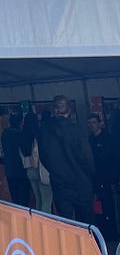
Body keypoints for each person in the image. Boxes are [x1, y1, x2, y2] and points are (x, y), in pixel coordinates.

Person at [39, 95, 95, 224]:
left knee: (64, 223)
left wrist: (55, 170)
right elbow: (87, 158)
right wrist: (90, 176)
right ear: (69, 111)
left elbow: (43, 157)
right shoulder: (77, 130)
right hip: (80, 182)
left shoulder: (44, 130)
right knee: (85, 224)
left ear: (54, 110)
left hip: (59, 183)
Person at [87, 114, 118, 237]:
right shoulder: (90, 140)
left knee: (109, 205)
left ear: (99, 123)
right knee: (98, 206)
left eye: (94, 122)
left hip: (107, 177)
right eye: (89, 123)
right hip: (95, 178)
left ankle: (112, 232)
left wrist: (114, 179)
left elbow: (114, 159)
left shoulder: (108, 138)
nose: (91, 125)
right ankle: (103, 231)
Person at [20, 110, 52, 212]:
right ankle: (46, 223)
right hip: (39, 169)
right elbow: (38, 152)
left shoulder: (22, 134)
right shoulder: (38, 134)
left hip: (29, 169)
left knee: (38, 199)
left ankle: (38, 221)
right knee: (46, 201)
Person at [1, 112, 30, 205]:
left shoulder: (5, 132)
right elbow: (26, 151)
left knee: (15, 199)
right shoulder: (20, 134)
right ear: (21, 122)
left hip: (9, 170)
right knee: (23, 199)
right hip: (20, 171)